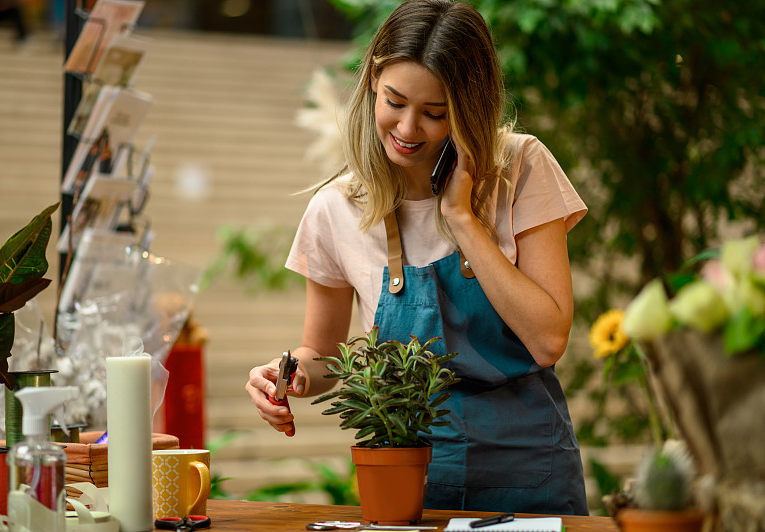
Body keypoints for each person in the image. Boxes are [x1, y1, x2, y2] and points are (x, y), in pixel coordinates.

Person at [245, 0, 589, 515]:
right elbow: (324, 357)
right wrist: (287, 375)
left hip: (530, 467)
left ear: (471, 109)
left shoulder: (521, 168)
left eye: (434, 114)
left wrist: (464, 220)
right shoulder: (337, 207)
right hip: (406, 471)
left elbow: (548, 339)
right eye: (395, 101)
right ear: (373, 82)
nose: (408, 129)